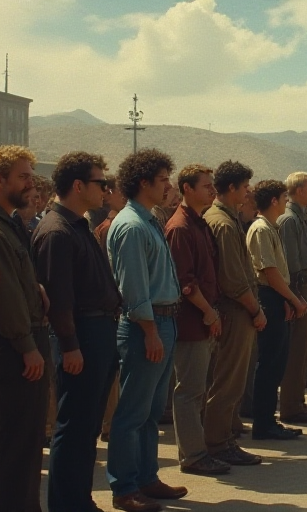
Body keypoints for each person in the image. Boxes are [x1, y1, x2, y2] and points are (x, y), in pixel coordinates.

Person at [34, 151, 123, 512]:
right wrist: (70, 345)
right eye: (101, 183)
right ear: (78, 185)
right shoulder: (57, 231)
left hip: (97, 331)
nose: (106, 189)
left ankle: (79, 500)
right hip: (81, 335)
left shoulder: (77, 224)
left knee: (87, 428)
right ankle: (67, 504)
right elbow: (59, 298)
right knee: (74, 429)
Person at [0, 145, 51, 511]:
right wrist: (27, 345)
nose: (30, 183)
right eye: (22, 176)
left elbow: (19, 282)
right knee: (18, 443)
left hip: (27, 337)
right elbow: (4, 297)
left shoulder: (8, 221)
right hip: (16, 345)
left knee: (29, 440)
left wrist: (36, 290)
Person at [106, 149, 187, 511]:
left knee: (151, 411)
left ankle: (146, 478)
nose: (169, 186)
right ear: (144, 183)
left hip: (163, 321)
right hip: (146, 325)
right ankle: (124, 488)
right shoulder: (132, 225)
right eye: (163, 180)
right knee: (133, 412)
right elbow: (134, 289)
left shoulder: (149, 218)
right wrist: (151, 332)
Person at [164, 164, 232, 475]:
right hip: (192, 321)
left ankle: (198, 450)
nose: (212, 191)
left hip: (204, 317)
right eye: (206, 186)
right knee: (189, 390)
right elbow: (185, 281)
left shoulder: (198, 223)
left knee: (197, 389)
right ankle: (192, 455)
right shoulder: (180, 227)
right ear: (187, 188)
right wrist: (207, 311)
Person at [203, 161, 265, 464]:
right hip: (235, 309)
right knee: (228, 380)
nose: (248, 192)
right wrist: (256, 310)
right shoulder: (224, 223)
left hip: (235, 308)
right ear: (231, 188)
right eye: (244, 187)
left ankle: (224, 436)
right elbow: (233, 278)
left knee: (228, 378)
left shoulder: (224, 218)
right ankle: (218, 442)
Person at [247, 179, 307, 440]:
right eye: (283, 196)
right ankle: (263, 423)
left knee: (276, 362)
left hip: (276, 296)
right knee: (270, 364)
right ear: (273, 200)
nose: (286, 201)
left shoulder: (271, 227)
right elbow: (269, 272)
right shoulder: (261, 228)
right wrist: (294, 299)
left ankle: (268, 420)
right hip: (268, 296)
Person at [276, 172, 307, 424]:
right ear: (296, 191)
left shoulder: (302, 217)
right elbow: (291, 264)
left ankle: (298, 403)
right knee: (297, 351)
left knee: (306, 349)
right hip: (299, 288)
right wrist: (295, 297)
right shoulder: (289, 220)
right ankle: (291, 406)